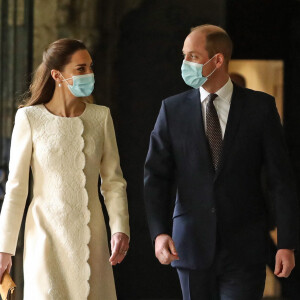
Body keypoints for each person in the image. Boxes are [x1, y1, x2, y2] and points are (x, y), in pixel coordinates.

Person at [144, 24, 298, 300]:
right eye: (184, 55)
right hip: (189, 244)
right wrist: (159, 232)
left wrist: (286, 243)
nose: (184, 63)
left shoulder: (260, 107)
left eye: (192, 56)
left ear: (217, 60)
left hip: (246, 247)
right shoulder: (172, 109)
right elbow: (156, 176)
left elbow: (281, 180)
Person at [0, 38, 130, 300]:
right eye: (81, 69)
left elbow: (113, 181)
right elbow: (16, 188)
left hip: (91, 236)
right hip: (45, 235)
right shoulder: (29, 118)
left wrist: (120, 228)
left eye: (90, 67)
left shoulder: (100, 116)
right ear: (57, 75)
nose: (90, 74)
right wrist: (4, 249)